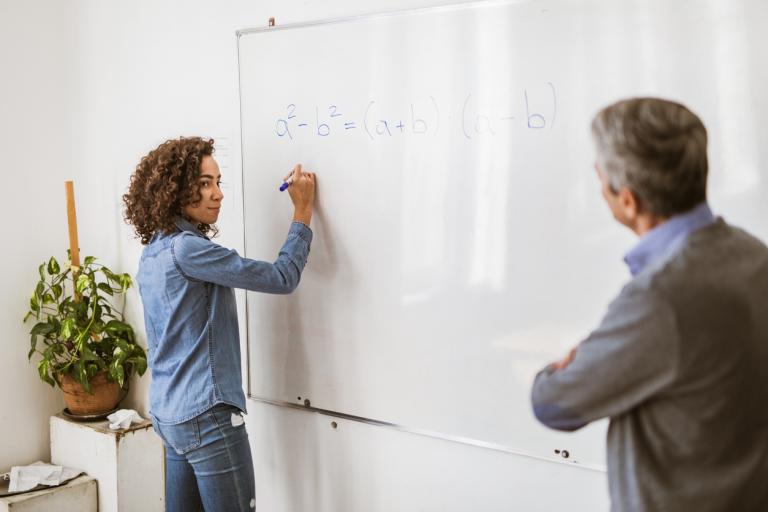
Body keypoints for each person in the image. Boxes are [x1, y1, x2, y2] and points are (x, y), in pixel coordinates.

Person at [530, 98, 768, 511]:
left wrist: (572, 360)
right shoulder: (755, 256)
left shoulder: (659, 300)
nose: (597, 180)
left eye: (600, 174)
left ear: (628, 201)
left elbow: (553, 403)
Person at [122, 136, 316, 511]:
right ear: (175, 190)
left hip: (169, 415)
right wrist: (302, 212)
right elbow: (281, 277)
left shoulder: (154, 251)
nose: (218, 194)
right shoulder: (188, 249)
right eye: (204, 183)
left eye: (218, 182)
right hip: (205, 417)